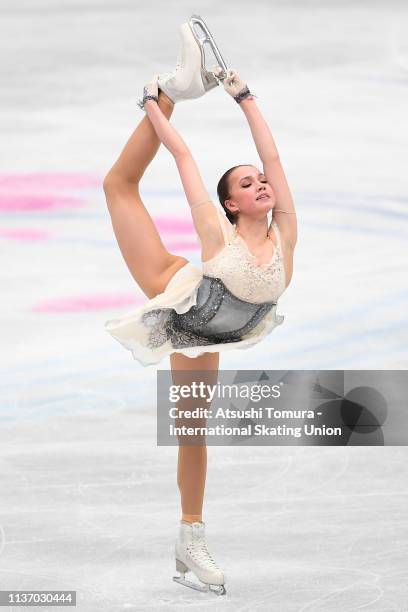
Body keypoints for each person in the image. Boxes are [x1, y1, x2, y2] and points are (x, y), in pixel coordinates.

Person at [102, 25, 297, 595]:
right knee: (119, 186)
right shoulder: (216, 233)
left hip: (220, 330)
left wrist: (246, 97)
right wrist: (158, 106)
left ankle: (190, 541)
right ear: (230, 203)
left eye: (261, 182)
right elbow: (183, 156)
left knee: (193, 432)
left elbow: (273, 154)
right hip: (182, 303)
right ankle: (170, 87)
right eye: (247, 183)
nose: (261, 183)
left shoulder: (286, 232)